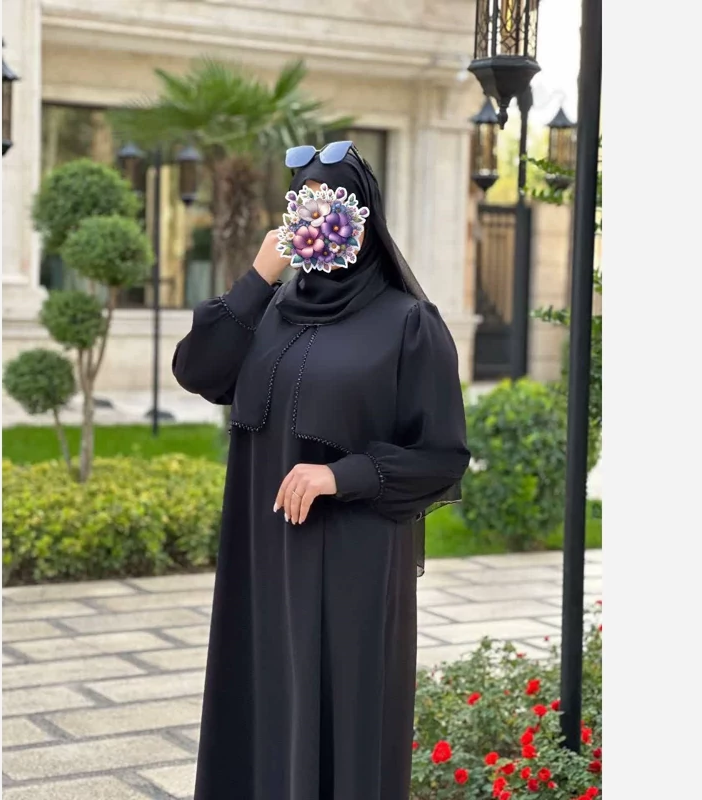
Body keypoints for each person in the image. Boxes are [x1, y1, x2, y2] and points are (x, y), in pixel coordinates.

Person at [172, 143, 470, 800]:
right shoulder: (273, 311)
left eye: (328, 203)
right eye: (302, 203)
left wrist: (342, 475)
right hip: (263, 558)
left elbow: (443, 457)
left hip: (349, 566)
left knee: (340, 716)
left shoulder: (408, 324)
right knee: (262, 705)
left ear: (361, 217)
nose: (314, 218)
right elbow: (198, 371)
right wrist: (258, 278)